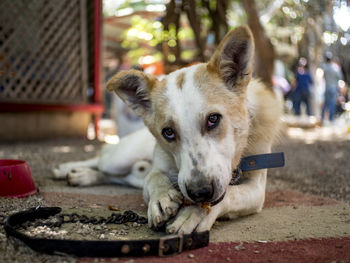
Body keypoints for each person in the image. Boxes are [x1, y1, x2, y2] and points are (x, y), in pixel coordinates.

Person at [321, 52, 344, 123]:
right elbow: (340, 77)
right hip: (333, 88)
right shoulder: (335, 67)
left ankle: (322, 119)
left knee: (326, 103)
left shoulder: (324, 67)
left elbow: (323, 77)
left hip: (327, 87)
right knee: (332, 103)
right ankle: (331, 119)